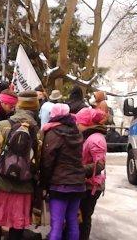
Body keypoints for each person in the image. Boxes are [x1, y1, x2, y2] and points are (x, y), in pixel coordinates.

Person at [0, 90, 40, 240]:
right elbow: (39, 160)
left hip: (1, 183)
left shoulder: (3, 125)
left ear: (17, 106)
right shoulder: (37, 131)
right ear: (36, 109)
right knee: (17, 223)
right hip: (25, 186)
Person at [40, 103, 86, 240]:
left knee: (57, 224)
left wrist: (44, 182)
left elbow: (47, 161)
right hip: (78, 183)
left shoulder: (53, 133)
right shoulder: (76, 132)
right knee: (72, 221)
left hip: (60, 185)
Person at [75, 108, 107, 240]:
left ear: (85, 123)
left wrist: (78, 171)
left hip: (91, 185)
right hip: (88, 183)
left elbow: (100, 164)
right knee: (81, 216)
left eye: (78, 123)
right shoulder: (90, 136)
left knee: (84, 217)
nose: (76, 125)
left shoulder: (95, 139)